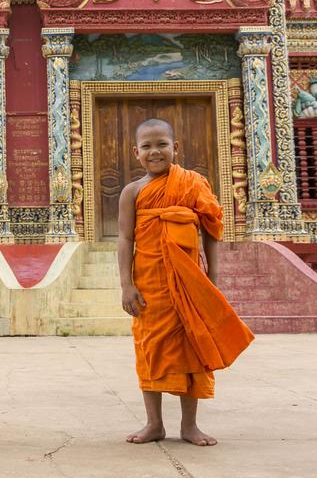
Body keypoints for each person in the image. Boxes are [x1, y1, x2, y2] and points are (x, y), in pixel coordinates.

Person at [117, 118, 254, 446]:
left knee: (192, 347)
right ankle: (154, 424)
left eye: (162, 144)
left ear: (175, 147)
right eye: (147, 146)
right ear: (136, 152)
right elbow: (124, 239)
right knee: (150, 347)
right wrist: (126, 284)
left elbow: (211, 229)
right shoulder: (132, 192)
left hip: (189, 281)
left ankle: (189, 425)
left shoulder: (193, 184)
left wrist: (213, 275)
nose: (155, 152)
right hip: (149, 284)